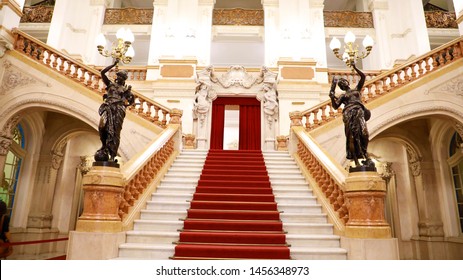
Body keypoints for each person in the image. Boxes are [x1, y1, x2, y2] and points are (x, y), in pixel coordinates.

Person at [329, 63, 373, 169]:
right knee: (352, 137)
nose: (342, 83)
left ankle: (364, 153)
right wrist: (332, 97)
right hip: (348, 114)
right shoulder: (343, 96)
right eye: (340, 84)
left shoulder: (356, 89)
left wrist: (355, 67)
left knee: (364, 133)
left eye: (343, 81)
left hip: (359, 112)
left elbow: (363, 77)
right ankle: (357, 160)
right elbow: (335, 106)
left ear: (347, 82)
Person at [94, 59, 134, 163]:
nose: (120, 78)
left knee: (115, 132)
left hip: (119, 109)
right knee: (102, 127)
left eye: (122, 77)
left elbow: (131, 101)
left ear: (124, 79)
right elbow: (102, 73)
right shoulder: (110, 84)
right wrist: (113, 64)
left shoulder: (124, 89)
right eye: (119, 76)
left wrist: (130, 95)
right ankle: (103, 145)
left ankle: (112, 155)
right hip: (108, 107)